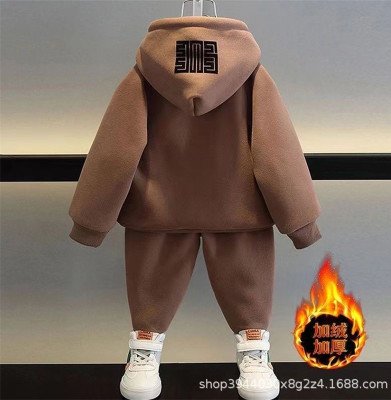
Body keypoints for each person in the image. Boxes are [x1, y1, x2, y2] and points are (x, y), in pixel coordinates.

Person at [68, 16, 321, 400]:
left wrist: (91, 220)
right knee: (248, 282)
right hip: (238, 209)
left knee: (151, 279)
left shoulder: (144, 75)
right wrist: (301, 223)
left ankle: (144, 349)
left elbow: (116, 149)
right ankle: (254, 350)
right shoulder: (252, 76)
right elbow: (276, 151)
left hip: (158, 208)